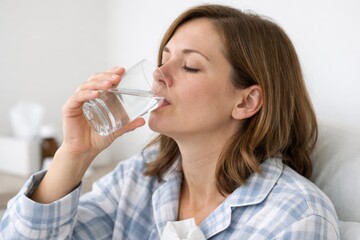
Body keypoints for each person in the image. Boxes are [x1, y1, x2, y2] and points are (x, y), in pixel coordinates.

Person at [0, 4, 339, 239]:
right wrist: (74, 155)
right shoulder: (141, 177)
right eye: (163, 59)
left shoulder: (295, 217)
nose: (158, 76)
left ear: (246, 101)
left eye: (189, 66)